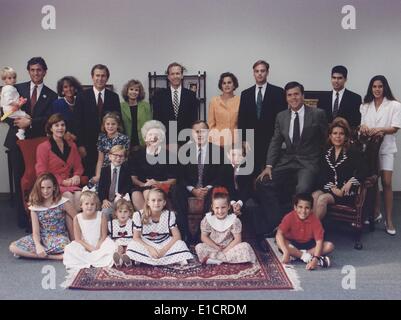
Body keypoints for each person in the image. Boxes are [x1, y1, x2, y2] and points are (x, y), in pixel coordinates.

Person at [256, 81, 328, 236]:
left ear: (303, 96)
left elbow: (325, 140)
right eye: (289, 95)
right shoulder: (281, 116)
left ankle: (296, 229)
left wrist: (322, 165)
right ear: (286, 98)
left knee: (302, 190)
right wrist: (269, 166)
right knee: (263, 183)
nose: (293, 98)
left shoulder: (317, 114)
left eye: (296, 94)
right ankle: (278, 224)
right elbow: (275, 141)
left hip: (308, 163)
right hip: (287, 161)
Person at [3, 57, 57, 228]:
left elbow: (50, 119)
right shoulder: (16, 88)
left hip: (38, 144)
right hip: (16, 142)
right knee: (20, 180)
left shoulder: (52, 94)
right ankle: (22, 219)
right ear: (28, 71)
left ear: (45, 72)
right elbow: (5, 110)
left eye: (39, 70)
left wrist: (31, 122)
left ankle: (39, 219)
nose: (36, 73)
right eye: (32, 70)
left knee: (37, 180)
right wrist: (18, 122)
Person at [360, 75, 401, 235]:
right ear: (371, 88)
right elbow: (363, 124)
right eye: (374, 87)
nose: (377, 89)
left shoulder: (394, 105)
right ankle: (376, 212)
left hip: (386, 149)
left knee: (387, 182)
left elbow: (395, 128)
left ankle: (389, 219)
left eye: (380, 86)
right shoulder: (365, 105)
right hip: (369, 149)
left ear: (385, 88)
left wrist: (380, 129)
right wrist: (364, 128)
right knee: (373, 181)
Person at [172, 120, 224, 241]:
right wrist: (193, 190)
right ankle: (185, 233)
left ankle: (202, 233)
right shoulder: (184, 151)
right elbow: (180, 176)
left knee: (215, 192)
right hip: (190, 188)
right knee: (176, 189)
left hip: (209, 188)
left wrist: (209, 187)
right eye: (197, 132)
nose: (200, 134)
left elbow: (222, 175)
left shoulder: (218, 151)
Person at [9, 173, 76, 260]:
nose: (45, 191)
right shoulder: (35, 207)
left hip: (59, 238)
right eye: (42, 188)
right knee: (13, 247)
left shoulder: (63, 202)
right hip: (42, 238)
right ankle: (54, 257)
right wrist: (38, 245)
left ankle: (37, 254)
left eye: (49, 187)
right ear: (38, 188)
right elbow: (36, 232)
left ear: (54, 187)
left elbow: (78, 219)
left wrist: (76, 240)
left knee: (65, 245)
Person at [312, 118, 367, 220]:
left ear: (345, 136)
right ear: (330, 135)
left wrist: (350, 182)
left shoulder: (352, 151)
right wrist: (332, 188)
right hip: (330, 188)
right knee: (314, 196)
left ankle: (314, 232)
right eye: (335, 133)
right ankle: (310, 230)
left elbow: (364, 170)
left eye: (341, 134)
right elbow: (321, 174)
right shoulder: (326, 152)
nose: (338, 136)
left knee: (322, 199)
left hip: (345, 192)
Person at [238, 60, 286, 174]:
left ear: (267, 72)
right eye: (257, 71)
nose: (259, 73)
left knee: (270, 173)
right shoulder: (246, 93)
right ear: (253, 73)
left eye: (262, 71)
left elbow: (282, 118)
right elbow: (241, 119)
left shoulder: (278, 92)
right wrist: (243, 140)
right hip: (251, 140)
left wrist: (280, 139)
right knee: (250, 173)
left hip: (271, 139)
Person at [74, 64, 121, 177]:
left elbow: (118, 122)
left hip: (108, 145)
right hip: (87, 145)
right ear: (92, 77)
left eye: (103, 76)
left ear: (107, 78)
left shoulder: (113, 97)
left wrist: (115, 145)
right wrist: (80, 145)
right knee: (90, 177)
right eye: (97, 75)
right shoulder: (82, 96)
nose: (100, 79)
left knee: (107, 176)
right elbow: (77, 122)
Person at [126, 188, 193, 266]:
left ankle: (143, 260)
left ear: (164, 202)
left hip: (164, 242)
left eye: (159, 200)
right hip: (147, 242)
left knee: (181, 244)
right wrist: (150, 248)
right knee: (132, 246)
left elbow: (177, 236)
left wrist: (164, 250)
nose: (156, 203)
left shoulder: (169, 215)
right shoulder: (138, 215)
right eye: (153, 200)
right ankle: (170, 260)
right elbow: (136, 237)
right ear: (148, 202)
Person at [35, 114, 84, 211]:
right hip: (52, 185)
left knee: (80, 196)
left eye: (62, 125)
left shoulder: (72, 145)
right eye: (56, 125)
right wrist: (61, 181)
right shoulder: (43, 147)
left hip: (71, 183)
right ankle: (75, 225)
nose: (60, 128)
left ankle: (74, 225)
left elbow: (79, 166)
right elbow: (42, 172)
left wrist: (77, 176)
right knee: (68, 196)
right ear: (50, 128)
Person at [195, 190, 256, 265]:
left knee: (245, 246)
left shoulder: (234, 220)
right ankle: (226, 259)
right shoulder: (208, 219)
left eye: (223, 207)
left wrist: (225, 250)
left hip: (229, 248)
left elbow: (238, 239)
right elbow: (204, 237)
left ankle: (215, 259)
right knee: (199, 247)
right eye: (217, 208)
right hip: (214, 247)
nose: (220, 211)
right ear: (212, 207)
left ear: (228, 207)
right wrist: (216, 247)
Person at [276, 193, 334, 270]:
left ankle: (298, 255)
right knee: (281, 242)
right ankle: (305, 257)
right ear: (295, 207)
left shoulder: (315, 221)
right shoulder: (289, 217)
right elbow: (279, 234)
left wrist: (315, 259)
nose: (303, 211)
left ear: (311, 209)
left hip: (308, 245)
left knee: (329, 246)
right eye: (300, 207)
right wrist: (285, 252)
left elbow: (319, 242)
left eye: (307, 208)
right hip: (292, 244)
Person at [129, 120, 176, 210]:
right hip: (141, 186)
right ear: (145, 137)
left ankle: (154, 219)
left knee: (149, 193)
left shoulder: (169, 156)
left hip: (160, 187)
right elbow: (133, 178)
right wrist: (143, 185)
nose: (153, 137)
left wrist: (158, 183)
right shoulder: (137, 154)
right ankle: (145, 221)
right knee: (135, 194)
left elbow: (173, 180)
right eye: (150, 135)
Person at [63, 191, 115, 270]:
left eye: (92, 204)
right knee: (69, 249)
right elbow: (78, 239)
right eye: (86, 204)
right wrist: (90, 248)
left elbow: (104, 235)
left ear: (96, 205)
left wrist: (98, 246)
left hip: (100, 243)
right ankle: (95, 259)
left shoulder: (101, 216)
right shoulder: (77, 218)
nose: (89, 206)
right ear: (81, 205)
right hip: (84, 245)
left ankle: (92, 259)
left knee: (112, 246)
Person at [152, 62, 199, 143]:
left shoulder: (191, 95)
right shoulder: (159, 95)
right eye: (172, 74)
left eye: (177, 73)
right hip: (166, 140)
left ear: (182, 75)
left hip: (186, 139)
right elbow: (156, 120)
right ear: (168, 77)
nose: (175, 76)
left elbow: (194, 119)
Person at [93, 112, 129, 184]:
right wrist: (98, 175)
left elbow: (125, 159)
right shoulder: (102, 137)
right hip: (105, 170)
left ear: (118, 125)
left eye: (113, 124)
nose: (110, 126)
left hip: (118, 169)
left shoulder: (124, 138)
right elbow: (100, 160)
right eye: (108, 124)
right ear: (104, 125)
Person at [98, 145, 132, 217]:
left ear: (125, 158)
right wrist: (104, 199)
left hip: (121, 199)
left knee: (123, 211)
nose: (118, 158)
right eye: (115, 155)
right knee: (105, 212)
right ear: (110, 156)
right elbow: (101, 187)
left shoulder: (126, 170)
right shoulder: (104, 170)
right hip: (108, 200)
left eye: (121, 156)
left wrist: (122, 196)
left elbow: (128, 186)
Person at [207, 72, 240, 146]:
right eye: (224, 83)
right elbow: (210, 124)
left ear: (234, 84)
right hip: (217, 141)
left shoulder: (240, 101)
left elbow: (242, 123)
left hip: (235, 141)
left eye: (229, 82)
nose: (226, 85)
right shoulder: (214, 101)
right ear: (221, 86)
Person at [120, 79, 152, 153]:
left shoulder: (146, 106)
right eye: (131, 89)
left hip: (143, 143)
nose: (134, 92)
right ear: (127, 91)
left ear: (139, 92)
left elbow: (150, 125)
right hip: (126, 143)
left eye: (136, 90)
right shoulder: (121, 106)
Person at [1, 67, 28, 140]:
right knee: (28, 117)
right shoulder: (8, 88)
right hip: (11, 110)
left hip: (12, 110)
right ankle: (21, 132)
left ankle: (21, 132)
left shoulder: (11, 87)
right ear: (4, 79)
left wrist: (20, 101)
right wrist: (17, 104)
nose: (13, 80)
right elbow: (8, 100)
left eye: (14, 77)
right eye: (9, 78)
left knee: (23, 118)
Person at [108, 198, 134, 268]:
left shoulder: (131, 222)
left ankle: (128, 261)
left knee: (128, 249)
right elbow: (111, 236)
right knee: (119, 248)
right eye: (120, 211)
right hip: (119, 241)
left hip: (129, 241)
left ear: (130, 213)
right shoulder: (113, 223)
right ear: (116, 213)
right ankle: (118, 260)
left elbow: (135, 235)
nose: (123, 214)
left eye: (125, 211)